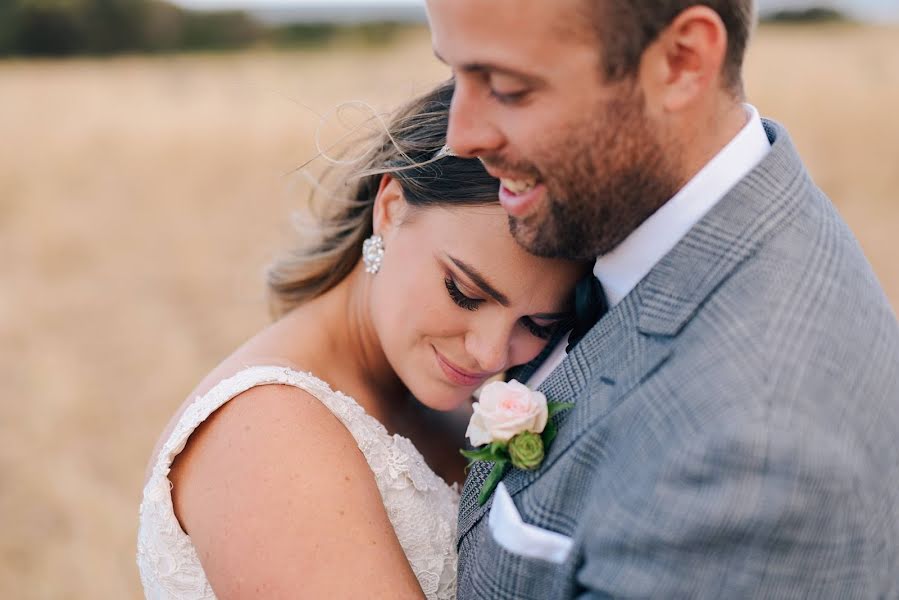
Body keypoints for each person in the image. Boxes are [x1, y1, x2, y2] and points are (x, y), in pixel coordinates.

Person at [426, 0, 899, 597]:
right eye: (456, 74)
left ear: (681, 62)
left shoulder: (755, 456)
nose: (461, 137)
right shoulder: (626, 217)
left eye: (510, 88)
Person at [136, 80, 588, 599]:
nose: (490, 354)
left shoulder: (437, 402)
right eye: (464, 293)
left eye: (539, 326)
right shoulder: (266, 432)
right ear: (391, 209)